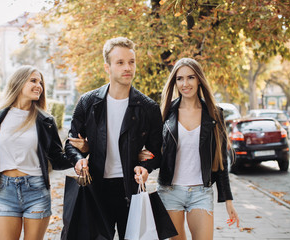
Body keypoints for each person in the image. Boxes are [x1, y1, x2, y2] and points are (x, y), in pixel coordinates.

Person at [65, 37, 163, 239]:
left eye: (131, 62)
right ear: (107, 67)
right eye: (120, 62)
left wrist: (146, 167)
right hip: (96, 188)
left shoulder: (148, 107)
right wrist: (78, 160)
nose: (128, 67)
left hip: (131, 190)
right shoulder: (88, 102)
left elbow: (157, 151)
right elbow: (71, 144)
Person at [0, 65, 72, 239]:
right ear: (18, 83)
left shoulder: (45, 121)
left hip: (37, 191)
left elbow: (58, 160)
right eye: (33, 81)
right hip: (6, 191)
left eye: (40, 82)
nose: (39, 86)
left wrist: (81, 152)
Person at [139, 57, 239, 240]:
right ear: (175, 82)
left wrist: (228, 201)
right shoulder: (165, 113)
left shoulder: (214, 114)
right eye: (180, 78)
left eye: (190, 77)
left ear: (199, 79)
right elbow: (155, 151)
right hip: (170, 192)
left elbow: (221, 160)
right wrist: (142, 159)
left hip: (201, 192)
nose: (185, 83)